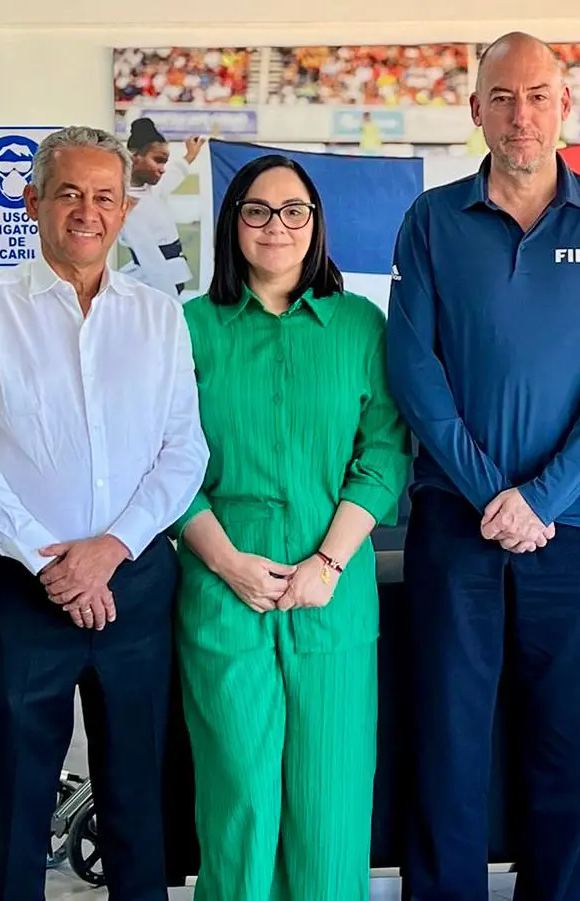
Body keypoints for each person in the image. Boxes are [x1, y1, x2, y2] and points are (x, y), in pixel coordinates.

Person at [386, 31, 580, 901]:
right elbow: (413, 369)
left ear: (564, 106)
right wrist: (485, 489)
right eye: (502, 97)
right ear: (475, 111)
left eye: (538, 95)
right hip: (454, 522)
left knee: (564, 742)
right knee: (449, 735)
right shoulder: (433, 221)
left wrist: (540, 496)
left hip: (570, 524)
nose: (521, 114)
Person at [0, 125, 209, 901]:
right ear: (33, 203)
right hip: (23, 596)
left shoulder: (159, 318)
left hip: (137, 590)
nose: (87, 211)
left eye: (104, 197)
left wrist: (109, 550)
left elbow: (183, 453)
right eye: (69, 193)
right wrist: (53, 562)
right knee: (20, 808)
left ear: (124, 212)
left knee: (136, 804)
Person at [171, 153, 411, 901]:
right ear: (232, 221)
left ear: (317, 225)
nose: (276, 226)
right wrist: (228, 561)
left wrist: (329, 563)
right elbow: (164, 461)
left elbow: (384, 452)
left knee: (330, 803)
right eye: (257, 210)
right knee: (239, 797)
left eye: (294, 211)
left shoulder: (360, 325)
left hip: (331, 594)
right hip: (221, 592)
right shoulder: (190, 328)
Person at [119, 116, 205, 298]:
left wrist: (190, 154)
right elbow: (151, 261)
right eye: (158, 160)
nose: (163, 168)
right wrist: (171, 301)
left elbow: (175, 173)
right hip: (153, 283)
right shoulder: (127, 207)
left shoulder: (153, 188)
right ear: (134, 157)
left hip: (172, 273)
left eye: (164, 162)